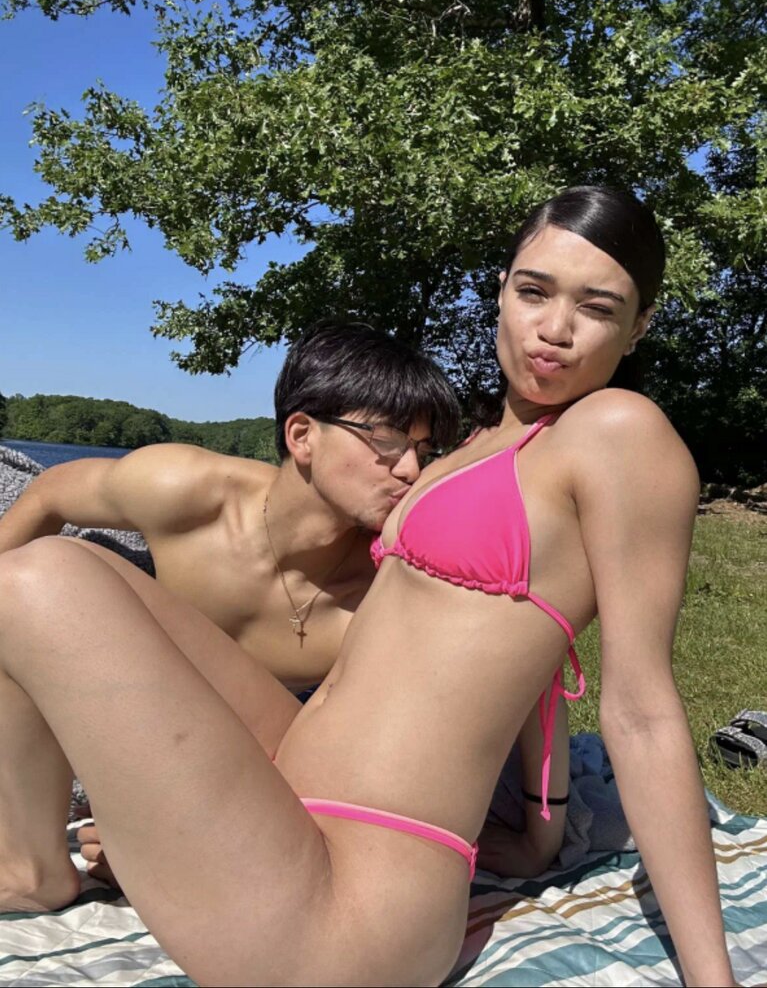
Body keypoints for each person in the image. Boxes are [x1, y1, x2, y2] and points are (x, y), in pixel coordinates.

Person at [0, 187, 736, 987]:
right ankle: (38, 862)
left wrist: (711, 979)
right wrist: (540, 831)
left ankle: (38, 869)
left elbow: (640, 710)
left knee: (40, 580)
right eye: (534, 291)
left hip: (359, 892)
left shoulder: (617, 431)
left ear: (639, 325)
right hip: (286, 790)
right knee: (76, 572)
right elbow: (521, 666)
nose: (554, 329)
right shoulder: (478, 445)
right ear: (500, 289)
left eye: (596, 307)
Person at [0, 322, 459, 692]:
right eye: (386, 438)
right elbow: (51, 491)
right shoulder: (187, 490)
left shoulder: (379, 592)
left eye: (424, 450)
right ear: (302, 436)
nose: (411, 470)